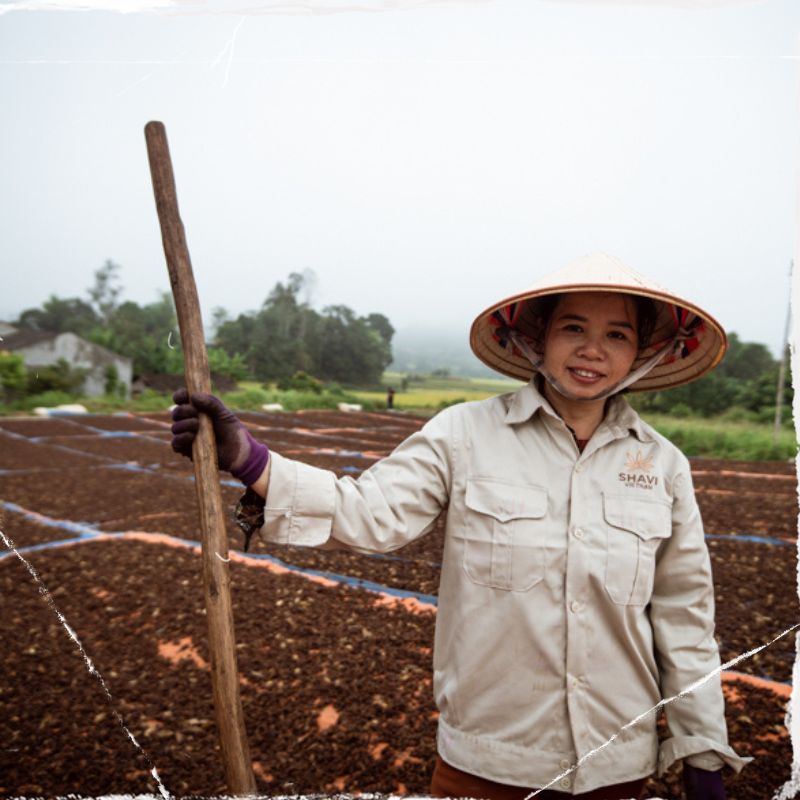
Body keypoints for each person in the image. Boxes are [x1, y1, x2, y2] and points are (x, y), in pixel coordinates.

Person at [171, 253, 750, 799]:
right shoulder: (464, 434)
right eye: (573, 328)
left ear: (640, 353)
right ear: (537, 338)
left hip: (619, 768)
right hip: (487, 766)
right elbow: (371, 513)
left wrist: (702, 749)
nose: (593, 350)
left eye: (616, 334)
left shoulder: (663, 465)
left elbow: (685, 618)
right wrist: (249, 460)